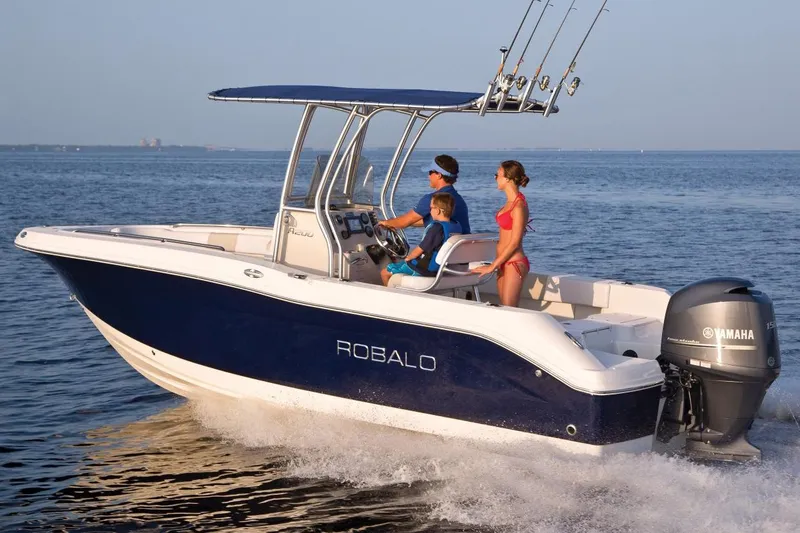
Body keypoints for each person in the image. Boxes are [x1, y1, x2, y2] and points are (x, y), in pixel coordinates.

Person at [471, 160, 531, 307]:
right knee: (504, 308)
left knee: (509, 310)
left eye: (497, 175)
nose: (495, 178)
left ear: (508, 178)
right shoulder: (510, 203)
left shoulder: (518, 206)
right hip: (503, 262)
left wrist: (492, 266)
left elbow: (515, 243)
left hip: (513, 262)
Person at [381, 193, 462, 286]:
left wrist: (408, 258)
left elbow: (421, 249)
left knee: (384, 272)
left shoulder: (437, 228)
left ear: (438, 211)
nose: (430, 211)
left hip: (422, 269)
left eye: (431, 208)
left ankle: (391, 298)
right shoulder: (456, 225)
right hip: (439, 267)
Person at [379, 154, 471, 234]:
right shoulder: (458, 199)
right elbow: (425, 220)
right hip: (459, 251)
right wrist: (397, 222)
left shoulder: (433, 199)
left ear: (439, 175)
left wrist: (383, 223)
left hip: (443, 252)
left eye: (430, 172)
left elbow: (405, 221)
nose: (428, 176)